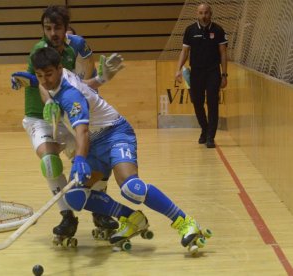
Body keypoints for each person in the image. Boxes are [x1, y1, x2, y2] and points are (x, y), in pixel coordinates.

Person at [33, 46, 212, 253]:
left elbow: (81, 132)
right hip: (94, 142)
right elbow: (63, 87)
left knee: (130, 187)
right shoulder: (59, 78)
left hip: (114, 133)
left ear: (59, 68)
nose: (45, 81)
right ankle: (132, 218)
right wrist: (29, 79)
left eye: (49, 74)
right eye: (39, 76)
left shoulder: (70, 95)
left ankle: (185, 222)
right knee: (74, 196)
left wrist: (80, 160)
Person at [11, 5, 121, 241]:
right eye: (47, 28)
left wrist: (101, 80)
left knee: (96, 158)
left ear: (66, 28)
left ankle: (99, 211)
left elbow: (78, 83)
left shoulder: (76, 47)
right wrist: (49, 100)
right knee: (50, 163)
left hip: (64, 115)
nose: (52, 33)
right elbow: (41, 84)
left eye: (57, 28)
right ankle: (67, 216)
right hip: (39, 116)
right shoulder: (39, 51)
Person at [175, 3, 228, 148]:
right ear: (197, 14)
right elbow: (184, 52)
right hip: (196, 73)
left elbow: (223, 53)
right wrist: (178, 69)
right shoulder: (190, 30)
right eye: (201, 13)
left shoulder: (218, 30)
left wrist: (224, 74)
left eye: (206, 13)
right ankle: (204, 129)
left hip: (213, 72)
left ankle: (210, 137)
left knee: (212, 104)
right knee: (197, 103)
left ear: (210, 13)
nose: (203, 15)